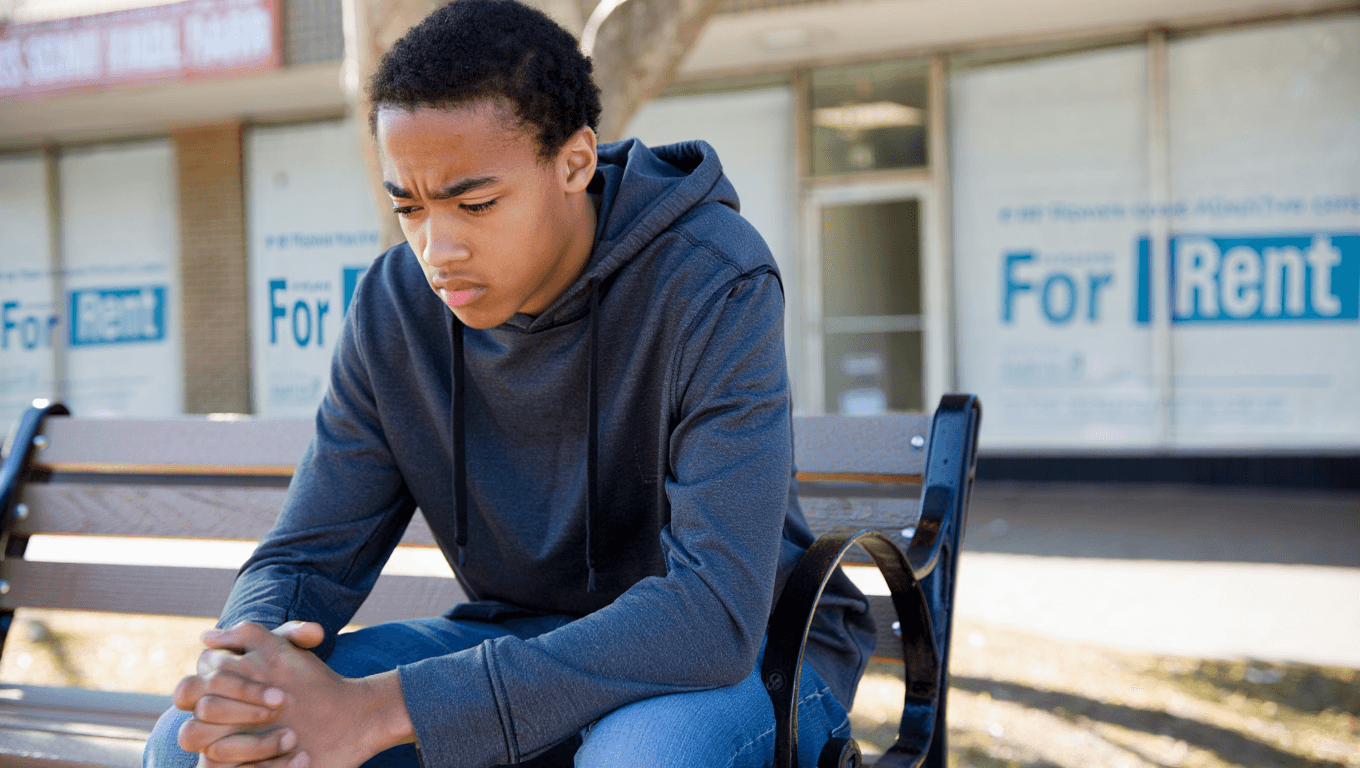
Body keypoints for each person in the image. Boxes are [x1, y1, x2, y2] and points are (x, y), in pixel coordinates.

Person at [143, 1, 873, 766]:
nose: (438, 249)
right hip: (516, 639)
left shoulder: (712, 279)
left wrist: (382, 710)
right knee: (202, 741)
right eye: (410, 208)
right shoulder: (396, 308)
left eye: (475, 203)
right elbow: (304, 560)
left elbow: (713, 614)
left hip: (748, 661)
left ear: (575, 162)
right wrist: (246, 662)